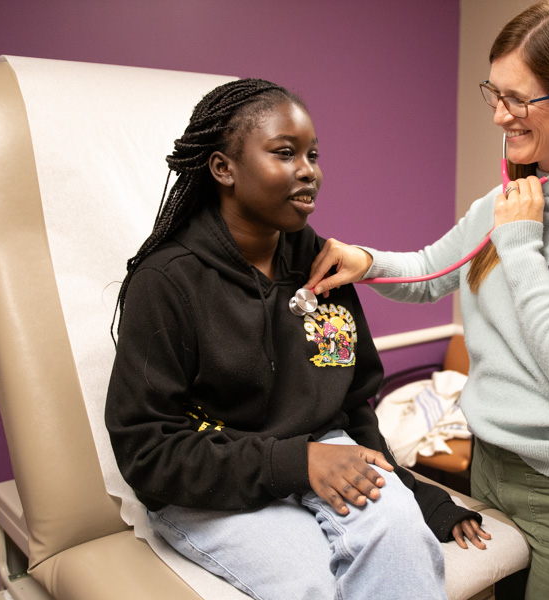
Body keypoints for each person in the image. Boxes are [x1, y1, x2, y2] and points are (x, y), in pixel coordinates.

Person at [306, 2, 549, 599]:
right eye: (494, 92)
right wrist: (366, 262)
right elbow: (435, 270)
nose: (498, 116)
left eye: (518, 99)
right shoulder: (509, 197)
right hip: (492, 471)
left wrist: (519, 243)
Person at [105, 78, 490, 600]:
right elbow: (147, 452)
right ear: (224, 169)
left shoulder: (323, 270)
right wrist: (297, 463)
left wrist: (422, 498)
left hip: (326, 454)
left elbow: (354, 407)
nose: (308, 170)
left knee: (405, 544)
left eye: (312, 154)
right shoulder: (168, 281)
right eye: (284, 154)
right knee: (309, 584)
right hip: (211, 479)